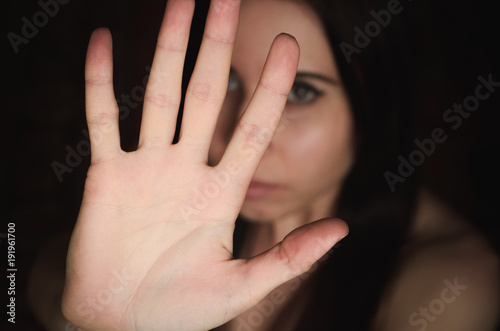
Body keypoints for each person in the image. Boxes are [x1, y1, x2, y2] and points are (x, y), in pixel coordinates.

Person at [29, 0, 499, 330]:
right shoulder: (170, 214)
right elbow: (27, 277)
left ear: (376, 108)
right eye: (228, 82)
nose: (242, 129)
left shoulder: (451, 283)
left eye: (300, 92)